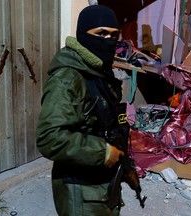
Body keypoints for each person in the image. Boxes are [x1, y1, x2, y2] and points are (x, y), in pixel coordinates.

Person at [36, 5, 126, 216]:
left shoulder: (97, 71)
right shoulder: (68, 78)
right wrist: (102, 152)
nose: (108, 40)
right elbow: (49, 137)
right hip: (80, 188)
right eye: (101, 33)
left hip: (102, 182)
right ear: (83, 35)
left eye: (114, 35)